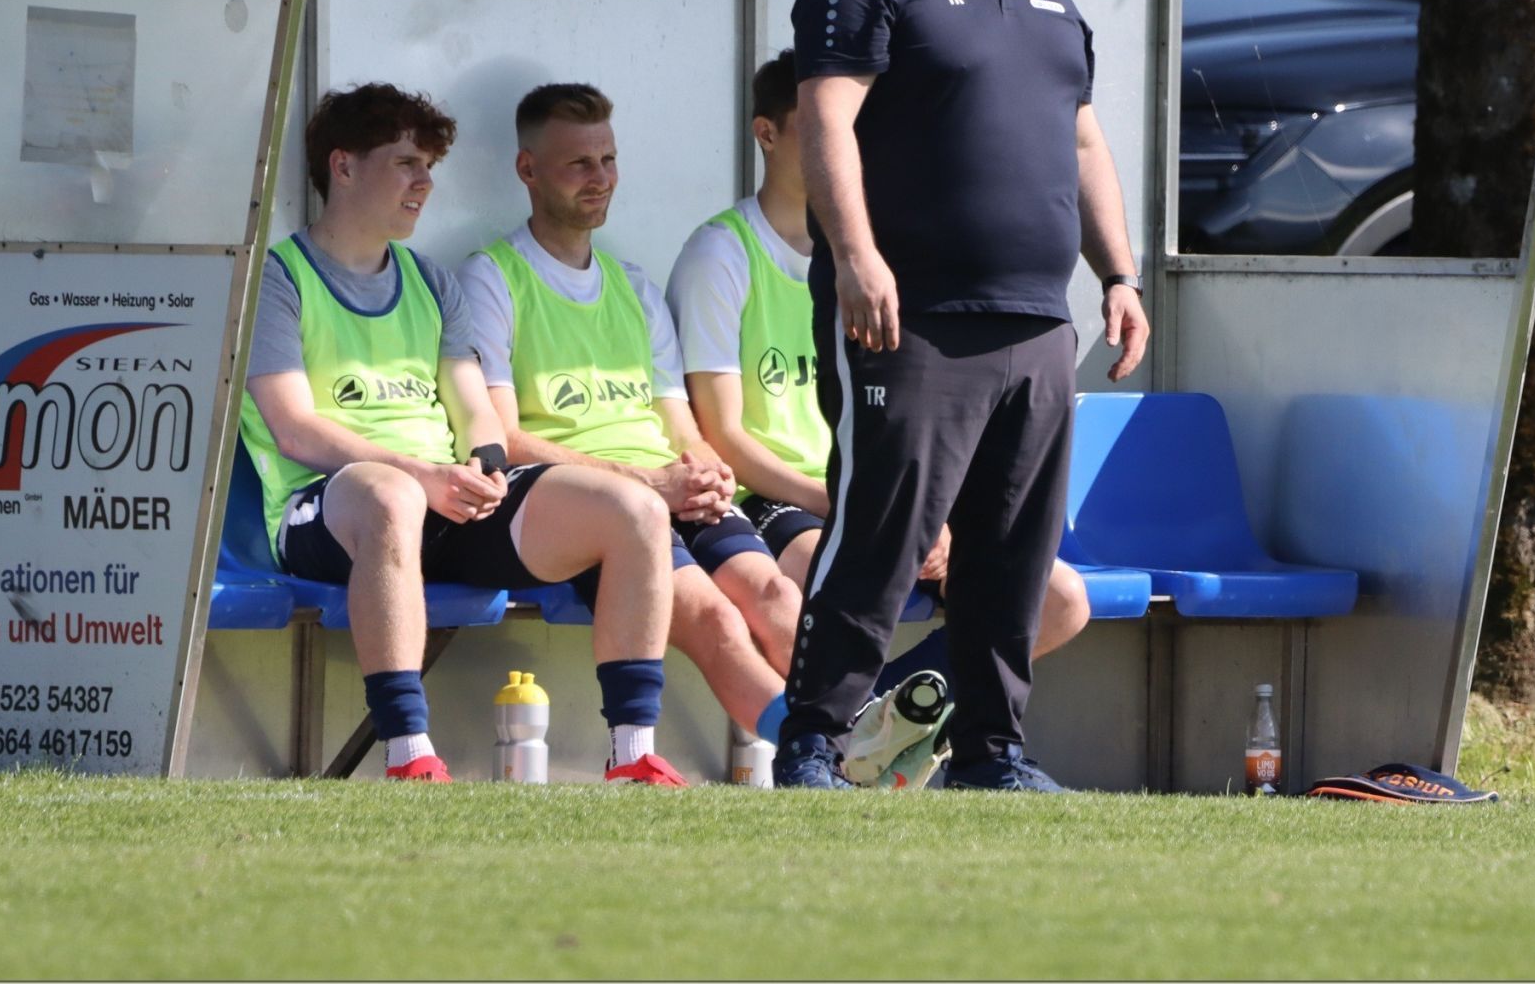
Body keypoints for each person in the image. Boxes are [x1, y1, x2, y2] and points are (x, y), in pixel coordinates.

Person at [773, 0, 1150, 792]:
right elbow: (826, 122)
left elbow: (1080, 137)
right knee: (883, 533)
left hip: (1034, 321)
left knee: (1010, 550)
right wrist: (855, 256)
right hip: (912, 318)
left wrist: (1115, 271)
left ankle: (991, 752)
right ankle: (811, 736)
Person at [458, 82, 946, 782]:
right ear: (527, 170)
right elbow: (504, 437)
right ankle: (833, 756)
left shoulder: (632, 286)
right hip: (588, 509)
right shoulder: (492, 278)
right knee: (718, 623)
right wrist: (649, 483)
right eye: (579, 165)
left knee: (778, 597)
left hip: (668, 492)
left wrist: (702, 473)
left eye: (609, 159)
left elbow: (683, 427)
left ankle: (868, 747)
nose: (600, 180)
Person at [238, 83, 685, 785]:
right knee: (390, 497)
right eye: (406, 164)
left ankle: (633, 755)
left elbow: (476, 413)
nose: (424, 184)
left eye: (430, 168)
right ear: (343, 166)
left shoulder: (431, 281)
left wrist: (483, 467)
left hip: (444, 496)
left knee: (636, 509)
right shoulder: (278, 278)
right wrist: (422, 476)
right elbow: (295, 430)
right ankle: (408, 752)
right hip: (328, 506)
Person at [667, 49, 1092, 776]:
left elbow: (937, 415)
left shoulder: (885, 252)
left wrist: (934, 515)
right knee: (817, 587)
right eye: (818, 125)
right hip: (788, 498)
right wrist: (843, 502)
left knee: (1059, 599)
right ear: (767, 134)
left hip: (895, 492)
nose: (844, 142)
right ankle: (842, 741)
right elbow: (723, 436)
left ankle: (881, 726)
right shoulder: (722, 253)